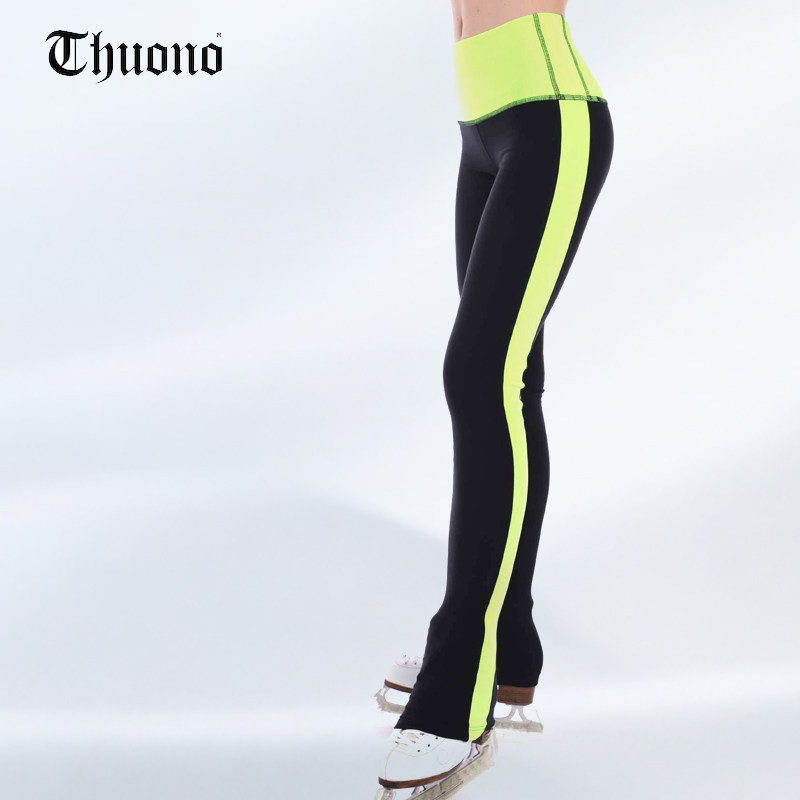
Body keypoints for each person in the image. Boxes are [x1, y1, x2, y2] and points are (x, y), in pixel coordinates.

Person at [375, 1, 614, 795]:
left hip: (550, 115)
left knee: (478, 376)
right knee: (510, 381)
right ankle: (508, 642)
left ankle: (457, 683)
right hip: (482, 123)